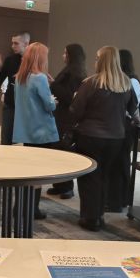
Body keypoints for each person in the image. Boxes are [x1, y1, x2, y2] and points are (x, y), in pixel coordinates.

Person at [71, 46, 139, 231]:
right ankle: (99, 215)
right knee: (104, 176)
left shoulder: (91, 83)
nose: (95, 61)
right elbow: (133, 110)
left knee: (88, 178)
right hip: (116, 138)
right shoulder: (125, 84)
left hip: (90, 136)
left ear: (101, 61)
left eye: (96, 58)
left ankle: (90, 218)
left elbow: (76, 110)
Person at [13, 42, 59, 220]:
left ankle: (19, 207)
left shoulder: (19, 78)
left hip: (26, 131)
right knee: (38, 174)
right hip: (41, 132)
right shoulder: (40, 78)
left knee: (27, 172)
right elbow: (49, 105)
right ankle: (32, 209)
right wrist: (54, 101)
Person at [103, 49, 140, 212]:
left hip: (125, 127)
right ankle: (118, 199)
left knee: (120, 165)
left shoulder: (130, 81)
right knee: (118, 164)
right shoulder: (124, 80)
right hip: (121, 126)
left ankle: (117, 201)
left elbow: (133, 106)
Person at [47, 43, 87, 199]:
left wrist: (53, 85)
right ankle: (59, 185)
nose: (63, 55)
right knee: (57, 152)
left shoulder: (75, 74)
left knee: (64, 152)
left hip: (66, 118)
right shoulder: (71, 71)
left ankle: (67, 187)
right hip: (61, 116)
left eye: (65, 53)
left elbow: (69, 97)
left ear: (71, 55)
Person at [0, 32, 30, 145]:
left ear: (26, 43)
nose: (12, 46)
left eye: (16, 43)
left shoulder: (33, 61)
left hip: (27, 107)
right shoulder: (10, 60)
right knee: (6, 141)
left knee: (27, 142)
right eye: (12, 43)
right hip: (10, 105)